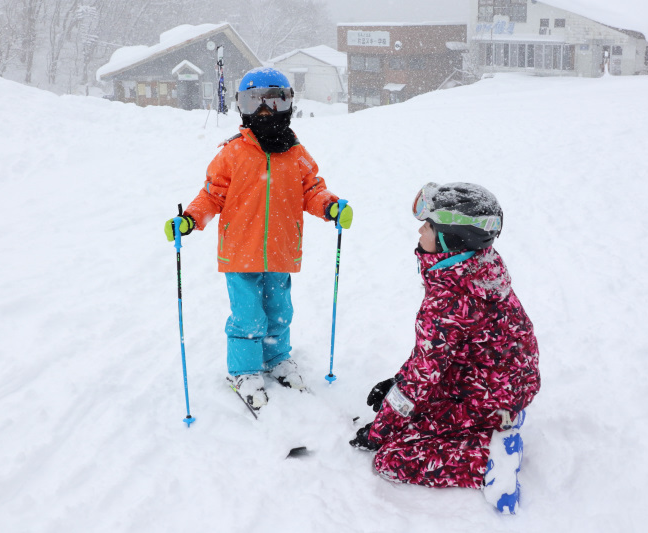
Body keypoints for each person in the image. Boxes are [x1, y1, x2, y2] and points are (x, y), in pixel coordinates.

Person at [164, 67, 353, 411]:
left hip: (280, 249)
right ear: (242, 106)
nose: (264, 111)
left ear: (288, 104)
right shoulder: (233, 152)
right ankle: (244, 370)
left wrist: (330, 206)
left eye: (274, 101)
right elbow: (212, 195)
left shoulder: (296, 153)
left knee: (279, 310)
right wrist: (190, 218)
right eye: (255, 102)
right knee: (248, 314)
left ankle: (277, 358)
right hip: (240, 252)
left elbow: (312, 189)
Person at [349, 182, 540, 514]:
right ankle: (499, 418)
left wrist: (379, 432)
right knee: (414, 412)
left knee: (392, 456)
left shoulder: (450, 299)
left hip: (490, 393)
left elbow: (424, 376)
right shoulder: (474, 267)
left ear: (450, 240)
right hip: (502, 381)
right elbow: (433, 356)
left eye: (429, 225)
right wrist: (398, 383)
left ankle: (488, 459)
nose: (420, 230)